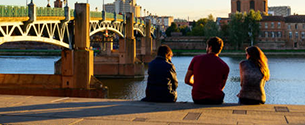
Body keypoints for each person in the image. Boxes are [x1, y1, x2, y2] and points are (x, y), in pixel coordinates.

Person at [184, 37, 229, 105]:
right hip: (215, 98)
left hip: (197, 98)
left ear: (210, 48)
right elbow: (221, 87)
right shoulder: (225, 66)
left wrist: (197, 85)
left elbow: (187, 80)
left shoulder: (196, 59)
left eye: (207, 46)